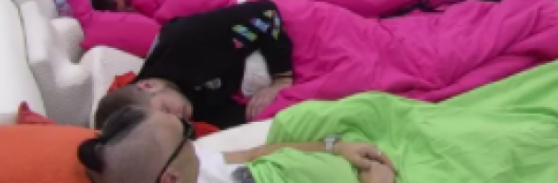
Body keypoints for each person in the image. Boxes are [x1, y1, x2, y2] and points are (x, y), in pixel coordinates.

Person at [93, 0, 296, 130]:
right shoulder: (175, 114)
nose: (177, 120)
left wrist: (282, 78)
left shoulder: (186, 43)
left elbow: (266, 15)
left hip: (279, 31)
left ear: (148, 86)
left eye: (166, 110)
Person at [78, 106, 396, 183]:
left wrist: (331, 147)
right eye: (186, 135)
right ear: (170, 178)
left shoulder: (192, 168)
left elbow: (249, 154)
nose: (194, 139)